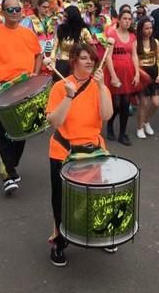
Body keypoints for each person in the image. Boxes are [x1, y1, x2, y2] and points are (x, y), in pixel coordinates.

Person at [46, 43, 113, 266]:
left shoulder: (99, 86)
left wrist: (103, 87)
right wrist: (68, 97)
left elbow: (106, 115)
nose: (90, 62)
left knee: (97, 196)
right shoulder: (60, 87)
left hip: (93, 151)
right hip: (63, 152)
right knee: (62, 199)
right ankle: (60, 241)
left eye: (92, 58)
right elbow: (55, 122)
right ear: (74, 60)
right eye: (84, 58)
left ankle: (100, 233)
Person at [0, 0, 43, 195]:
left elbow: (38, 54)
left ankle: (11, 164)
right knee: (2, 131)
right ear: (2, 12)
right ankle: (7, 174)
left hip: (24, 86)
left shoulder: (28, 34)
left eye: (17, 9)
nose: (15, 12)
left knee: (22, 130)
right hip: (0, 87)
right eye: (10, 10)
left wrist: (35, 72)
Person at [105, 9, 140, 145]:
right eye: (124, 18)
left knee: (126, 104)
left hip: (128, 73)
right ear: (119, 20)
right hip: (115, 72)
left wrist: (137, 73)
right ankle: (109, 125)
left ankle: (122, 133)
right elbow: (108, 57)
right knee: (115, 104)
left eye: (129, 19)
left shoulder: (132, 36)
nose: (127, 21)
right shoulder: (112, 35)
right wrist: (113, 76)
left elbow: (134, 56)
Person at [50, 6, 94, 81]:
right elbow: (54, 47)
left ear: (73, 17)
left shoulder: (83, 31)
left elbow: (91, 47)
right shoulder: (60, 29)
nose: (63, 18)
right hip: (62, 64)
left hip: (78, 63)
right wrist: (52, 62)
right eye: (63, 15)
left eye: (66, 16)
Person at [135, 17, 159, 139]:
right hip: (142, 75)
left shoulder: (155, 42)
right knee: (144, 103)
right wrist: (140, 73)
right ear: (141, 29)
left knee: (156, 103)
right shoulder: (136, 43)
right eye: (146, 28)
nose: (149, 30)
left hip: (154, 73)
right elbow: (134, 62)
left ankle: (146, 121)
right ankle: (140, 127)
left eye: (151, 28)